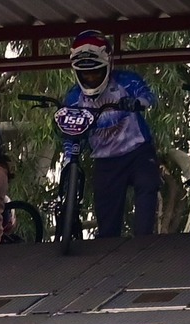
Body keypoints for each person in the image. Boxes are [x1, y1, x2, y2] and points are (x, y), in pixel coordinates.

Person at [64, 30, 160, 236]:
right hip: (105, 161)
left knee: (148, 184)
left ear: (108, 65)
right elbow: (70, 132)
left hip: (137, 151)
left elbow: (149, 96)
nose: (91, 77)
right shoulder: (73, 97)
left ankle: (143, 242)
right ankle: (110, 253)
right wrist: (69, 158)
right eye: (85, 73)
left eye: (96, 72)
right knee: (107, 225)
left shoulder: (126, 80)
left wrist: (137, 102)